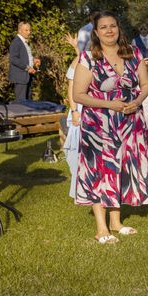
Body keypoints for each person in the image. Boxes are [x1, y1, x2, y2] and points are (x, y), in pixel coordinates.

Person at [72, 11, 148, 244]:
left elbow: (145, 85)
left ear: (119, 28)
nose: (109, 30)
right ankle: (101, 228)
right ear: (96, 32)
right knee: (101, 170)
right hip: (99, 124)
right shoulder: (88, 58)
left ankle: (116, 223)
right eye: (104, 27)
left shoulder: (133, 53)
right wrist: (110, 104)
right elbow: (78, 95)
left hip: (129, 121)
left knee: (122, 168)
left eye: (113, 26)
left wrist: (137, 102)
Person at [62, 33, 82, 198]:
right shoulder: (78, 61)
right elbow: (71, 88)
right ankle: (79, 187)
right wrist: (75, 111)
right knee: (77, 151)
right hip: (80, 110)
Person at [8, 21, 39, 100]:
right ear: (19, 30)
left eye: (30, 30)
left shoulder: (24, 42)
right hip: (20, 77)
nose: (29, 32)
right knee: (21, 104)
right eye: (26, 30)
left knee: (27, 104)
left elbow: (24, 57)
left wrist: (33, 60)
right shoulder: (16, 42)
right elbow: (13, 59)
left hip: (26, 77)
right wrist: (28, 68)